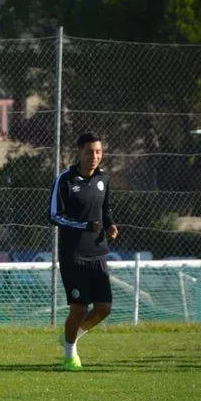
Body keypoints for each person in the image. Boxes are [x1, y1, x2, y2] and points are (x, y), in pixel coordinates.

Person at [49, 132, 118, 371]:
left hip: (98, 252)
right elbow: (54, 216)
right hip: (73, 254)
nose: (95, 156)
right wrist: (84, 225)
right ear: (79, 153)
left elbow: (105, 209)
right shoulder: (65, 180)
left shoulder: (104, 179)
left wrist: (109, 225)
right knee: (79, 308)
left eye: (98, 152)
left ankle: (72, 335)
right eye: (90, 152)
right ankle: (70, 354)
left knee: (103, 308)